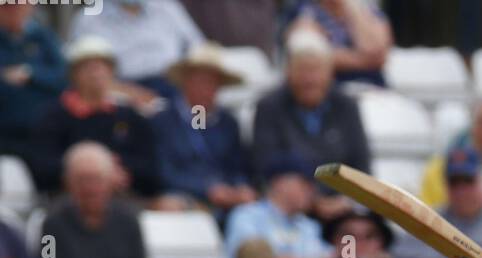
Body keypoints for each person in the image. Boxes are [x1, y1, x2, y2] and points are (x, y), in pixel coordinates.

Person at [251, 27, 370, 221]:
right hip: (287, 210)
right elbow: (264, 167)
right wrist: (313, 200)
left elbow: (362, 168)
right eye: (302, 70)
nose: (309, 79)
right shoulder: (269, 108)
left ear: (330, 73)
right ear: (289, 72)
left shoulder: (347, 107)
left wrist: (345, 202)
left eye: (315, 70)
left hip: (342, 211)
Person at [31, 37, 161, 198]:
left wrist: (120, 172)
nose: (95, 74)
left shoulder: (130, 116)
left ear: (112, 72)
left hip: (125, 198)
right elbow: (42, 166)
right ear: (73, 75)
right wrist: (90, 172)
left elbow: (152, 167)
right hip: (69, 201)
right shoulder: (53, 116)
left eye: (101, 67)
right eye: (87, 68)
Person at [151, 42, 255, 219]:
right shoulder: (163, 122)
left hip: (227, 198)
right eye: (200, 81)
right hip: (183, 196)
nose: (206, 89)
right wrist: (205, 189)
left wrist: (240, 187)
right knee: (170, 206)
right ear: (185, 82)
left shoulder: (228, 123)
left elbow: (238, 167)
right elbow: (162, 171)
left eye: (212, 83)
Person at [224, 154, 332, 258]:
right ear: (279, 183)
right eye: (304, 183)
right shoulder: (246, 216)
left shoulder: (309, 226)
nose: (312, 190)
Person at [69, 0, 204, 103]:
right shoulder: (88, 19)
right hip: (117, 96)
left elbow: (199, 52)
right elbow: (80, 73)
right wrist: (129, 93)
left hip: (174, 89)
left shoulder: (168, 8)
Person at [0, 1, 66, 174]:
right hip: (6, 136)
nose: (13, 9)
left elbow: (64, 78)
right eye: (6, 5)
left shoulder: (43, 37)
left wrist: (32, 75)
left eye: (19, 4)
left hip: (46, 134)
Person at [282, 0, 392, 87]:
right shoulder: (303, 11)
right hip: (326, 94)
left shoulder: (367, 8)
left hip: (373, 88)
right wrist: (366, 59)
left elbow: (377, 52)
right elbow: (310, 59)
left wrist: (351, 8)